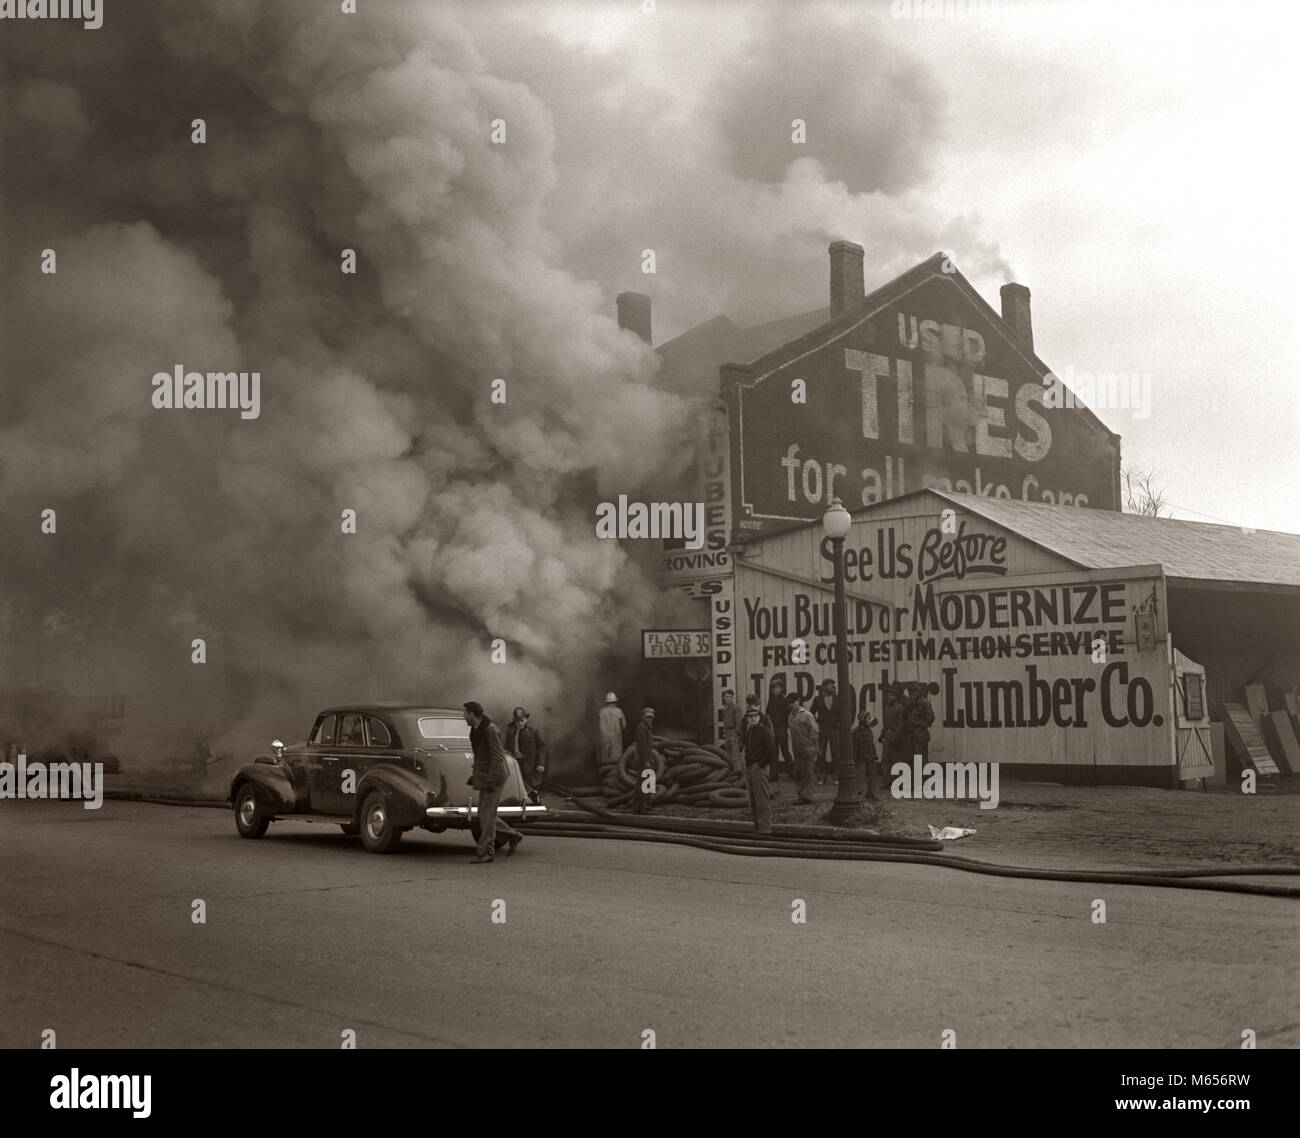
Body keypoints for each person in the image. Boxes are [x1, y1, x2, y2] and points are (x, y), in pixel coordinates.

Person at [463, 700, 522, 863]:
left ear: (472, 714)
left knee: (486, 816)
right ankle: (513, 835)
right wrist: (476, 776)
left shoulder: (490, 730)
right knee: (486, 813)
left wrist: (489, 781)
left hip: (495, 777)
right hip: (486, 776)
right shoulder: (475, 731)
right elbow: (481, 757)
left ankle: (486, 853)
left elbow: (497, 757)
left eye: (465, 713)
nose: (463, 717)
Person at [740, 704, 774, 834]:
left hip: (758, 768)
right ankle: (758, 828)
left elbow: (771, 751)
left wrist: (760, 765)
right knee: (753, 801)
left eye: (755, 716)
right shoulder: (750, 730)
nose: (753, 719)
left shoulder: (764, 731)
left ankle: (765, 830)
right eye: (750, 717)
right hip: (749, 768)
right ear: (747, 719)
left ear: (759, 717)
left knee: (762, 801)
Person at [503, 706, 547, 798]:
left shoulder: (532, 732)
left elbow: (541, 747)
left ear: (526, 719)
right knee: (516, 783)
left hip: (529, 763)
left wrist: (541, 763)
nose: (519, 723)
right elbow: (506, 747)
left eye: (522, 720)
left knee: (529, 783)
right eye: (517, 721)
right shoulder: (510, 731)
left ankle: (533, 801)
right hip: (515, 761)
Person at [786, 691, 818, 804]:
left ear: (798, 701)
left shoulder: (807, 715)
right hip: (797, 747)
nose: (792, 704)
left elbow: (814, 732)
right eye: (789, 703)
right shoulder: (791, 715)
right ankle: (801, 794)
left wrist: (810, 747)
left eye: (793, 702)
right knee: (798, 771)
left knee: (808, 772)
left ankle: (807, 796)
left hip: (807, 747)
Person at [809, 679, 842, 785]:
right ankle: (821, 776)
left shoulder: (838, 699)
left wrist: (839, 723)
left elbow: (843, 713)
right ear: (823, 687)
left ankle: (836, 776)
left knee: (836, 753)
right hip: (822, 728)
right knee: (821, 753)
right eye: (828, 685)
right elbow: (811, 714)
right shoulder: (817, 699)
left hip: (834, 728)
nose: (831, 687)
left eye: (832, 685)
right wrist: (815, 725)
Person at [765, 676, 793, 781]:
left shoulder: (785, 701)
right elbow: (767, 713)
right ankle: (774, 775)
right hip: (773, 728)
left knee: (785, 750)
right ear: (772, 690)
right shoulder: (771, 701)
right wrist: (769, 725)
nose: (776, 690)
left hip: (782, 728)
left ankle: (792, 772)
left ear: (782, 689)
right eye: (774, 688)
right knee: (773, 751)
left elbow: (789, 716)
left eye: (778, 688)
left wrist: (787, 727)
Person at [633, 706, 657, 814]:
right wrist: (646, 761)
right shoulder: (642, 728)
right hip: (644, 759)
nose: (650, 719)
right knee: (645, 783)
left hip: (647, 758)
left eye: (651, 717)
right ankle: (644, 807)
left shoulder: (646, 727)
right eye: (647, 717)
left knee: (644, 783)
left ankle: (639, 806)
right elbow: (642, 746)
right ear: (642, 717)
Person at [852, 706, 879, 799]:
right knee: (860, 775)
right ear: (863, 720)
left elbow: (872, 744)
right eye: (868, 718)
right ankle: (859, 792)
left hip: (870, 756)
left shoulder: (869, 731)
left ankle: (872, 792)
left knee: (872, 775)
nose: (870, 720)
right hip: (861, 757)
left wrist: (874, 754)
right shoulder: (856, 732)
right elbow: (854, 746)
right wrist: (854, 758)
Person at [903, 682, 935, 762]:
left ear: (918, 691)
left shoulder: (924, 701)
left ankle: (922, 772)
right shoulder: (908, 702)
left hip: (919, 732)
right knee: (909, 755)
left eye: (914, 691)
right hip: (909, 732)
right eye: (910, 691)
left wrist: (922, 725)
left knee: (920, 754)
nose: (912, 693)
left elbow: (930, 716)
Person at [879, 683, 905, 772]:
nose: (888, 697)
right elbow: (886, 723)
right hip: (887, 735)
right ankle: (886, 781)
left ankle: (895, 780)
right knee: (885, 758)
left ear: (895, 696)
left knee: (895, 759)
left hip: (895, 736)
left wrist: (895, 737)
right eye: (888, 695)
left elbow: (900, 724)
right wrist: (882, 735)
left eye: (890, 695)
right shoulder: (886, 707)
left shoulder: (900, 708)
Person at [598, 692, 626, 769]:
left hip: (604, 740)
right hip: (616, 739)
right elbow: (624, 726)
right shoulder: (619, 711)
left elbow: (597, 726)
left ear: (606, 702)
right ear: (615, 701)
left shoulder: (601, 712)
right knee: (616, 760)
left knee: (605, 760)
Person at [720, 689, 742, 772]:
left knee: (735, 754)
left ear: (733, 697)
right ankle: (731, 771)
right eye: (726, 696)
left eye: (730, 696)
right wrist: (725, 731)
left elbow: (738, 721)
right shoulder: (725, 708)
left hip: (734, 732)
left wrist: (737, 734)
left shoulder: (736, 708)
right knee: (728, 753)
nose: (728, 698)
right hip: (727, 732)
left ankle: (738, 771)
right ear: (724, 698)